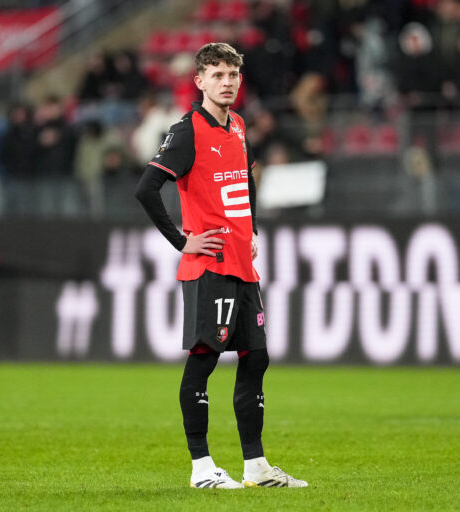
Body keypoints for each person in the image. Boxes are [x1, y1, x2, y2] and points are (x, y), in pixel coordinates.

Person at [134, 43, 307, 489]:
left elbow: (246, 180)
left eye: (232, 75)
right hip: (209, 265)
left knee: (256, 357)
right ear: (200, 81)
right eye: (217, 75)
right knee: (204, 359)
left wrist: (253, 231)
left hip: (241, 263)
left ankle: (256, 467)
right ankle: (201, 468)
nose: (227, 82)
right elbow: (146, 188)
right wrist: (182, 241)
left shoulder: (239, 126)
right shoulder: (187, 131)